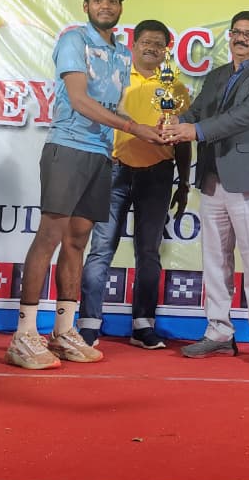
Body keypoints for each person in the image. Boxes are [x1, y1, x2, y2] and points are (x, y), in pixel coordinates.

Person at [5, 0, 164, 371]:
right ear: (86, 6)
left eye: (112, 0)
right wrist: (134, 128)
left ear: (120, 6)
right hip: (68, 147)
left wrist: (159, 127)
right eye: (98, 0)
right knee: (49, 237)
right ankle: (24, 335)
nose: (105, 6)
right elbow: (78, 99)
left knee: (78, 241)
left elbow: (117, 107)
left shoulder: (122, 53)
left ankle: (63, 331)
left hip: (100, 154)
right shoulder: (74, 41)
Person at [164, 11, 249, 363]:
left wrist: (195, 131)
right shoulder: (217, 75)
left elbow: (247, 114)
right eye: (237, 32)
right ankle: (218, 332)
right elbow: (198, 111)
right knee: (215, 260)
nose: (241, 38)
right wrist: (175, 122)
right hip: (212, 177)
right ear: (230, 36)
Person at [78, 19, 192, 350]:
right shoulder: (114, 78)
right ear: (134, 44)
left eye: (159, 44)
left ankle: (143, 325)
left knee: (148, 252)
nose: (151, 48)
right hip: (113, 171)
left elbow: (183, 140)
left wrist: (184, 182)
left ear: (166, 50)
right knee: (101, 249)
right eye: (146, 42)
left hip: (158, 174)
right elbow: (94, 120)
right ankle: (88, 324)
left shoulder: (175, 89)